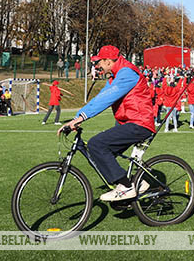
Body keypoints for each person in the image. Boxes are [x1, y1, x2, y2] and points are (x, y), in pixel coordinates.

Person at [58, 45, 158, 202]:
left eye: (99, 62)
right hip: (128, 122)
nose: (98, 66)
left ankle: (127, 186)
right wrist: (77, 118)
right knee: (103, 151)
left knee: (97, 144)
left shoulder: (127, 73)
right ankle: (136, 183)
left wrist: (80, 118)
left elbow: (105, 100)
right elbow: (99, 97)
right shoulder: (115, 76)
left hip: (139, 123)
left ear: (108, 61)